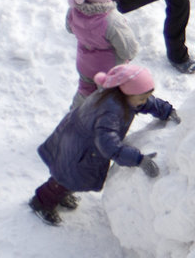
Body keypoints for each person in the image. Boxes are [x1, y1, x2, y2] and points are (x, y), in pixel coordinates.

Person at [30, 64, 179, 225]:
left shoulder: (123, 96)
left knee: (71, 178)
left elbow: (148, 103)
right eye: (141, 98)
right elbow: (109, 145)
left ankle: (61, 193)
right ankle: (41, 203)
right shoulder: (110, 111)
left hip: (82, 142)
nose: (144, 101)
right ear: (127, 93)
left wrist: (167, 111)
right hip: (80, 150)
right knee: (65, 177)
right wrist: (138, 159)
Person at [66, 0, 139, 109]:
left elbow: (69, 28)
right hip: (108, 70)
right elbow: (129, 50)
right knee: (107, 98)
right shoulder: (112, 20)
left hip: (84, 64)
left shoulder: (74, 10)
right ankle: (100, 120)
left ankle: (74, 114)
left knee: (84, 91)